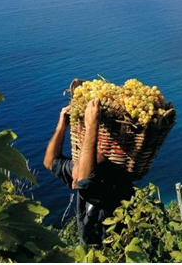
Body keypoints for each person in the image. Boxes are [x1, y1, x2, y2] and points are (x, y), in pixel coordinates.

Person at [43, 98, 135, 246]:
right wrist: (62, 126)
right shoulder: (80, 172)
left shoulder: (109, 187)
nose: (74, 181)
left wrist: (92, 125)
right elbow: (50, 162)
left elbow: (85, 179)